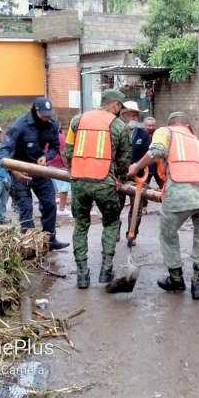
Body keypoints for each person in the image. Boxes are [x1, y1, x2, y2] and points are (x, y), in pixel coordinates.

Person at [128, 112, 199, 300]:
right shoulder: (195, 140)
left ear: (170, 123)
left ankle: (176, 281)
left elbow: (155, 152)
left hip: (179, 193)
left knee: (168, 235)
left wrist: (135, 168)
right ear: (187, 126)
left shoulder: (165, 131)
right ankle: (198, 287)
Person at [64, 90, 131, 289]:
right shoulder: (119, 126)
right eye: (121, 108)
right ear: (116, 106)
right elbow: (123, 161)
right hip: (105, 183)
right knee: (110, 223)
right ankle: (106, 270)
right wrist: (121, 181)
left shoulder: (77, 120)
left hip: (79, 182)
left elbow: (68, 151)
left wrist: (74, 172)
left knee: (81, 224)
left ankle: (82, 275)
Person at [0, 97, 69, 251]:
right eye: (44, 114)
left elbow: (55, 147)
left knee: (50, 204)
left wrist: (46, 157)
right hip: (20, 171)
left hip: (39, 169)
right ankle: (28, 243)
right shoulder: (19, 126)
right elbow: (3, 152)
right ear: (35, 111)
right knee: (25, 207)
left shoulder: (51, 125)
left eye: (49, 114)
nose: (47, 117)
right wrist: (13, 170)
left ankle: (50, 239)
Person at [119, 101, 151, 242]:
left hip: (138, 176)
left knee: (136, 207)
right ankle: (114, 229)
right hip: (119, 176)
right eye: (132, 115)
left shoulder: (143, 134)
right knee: (115, 206)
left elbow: (148, 154)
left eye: (136, 115)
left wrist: (136, 167)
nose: (135, 118)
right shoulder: (117, 132)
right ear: (124, 116)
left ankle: (132, 234)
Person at [46, 126, 72, 217]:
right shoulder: (59, 137)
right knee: (64, 188)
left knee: (51, 189)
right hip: (59, 166)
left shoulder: (47, 136)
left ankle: (51, 208)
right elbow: (63, 153)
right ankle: (61, 208)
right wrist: (68, 166)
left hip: (49, 164)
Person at [142, 117, 165, 215]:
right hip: (146, 166)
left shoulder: (158, 135)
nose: (151, 127)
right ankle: (143, 207)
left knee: (165, 187)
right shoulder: (141, 136)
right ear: (144, 126)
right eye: (149, 125)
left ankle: (167, 206)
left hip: (158, 166)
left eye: (152, 125)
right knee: (143, 187)